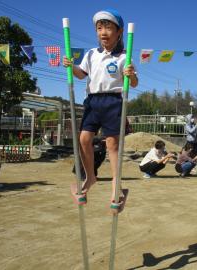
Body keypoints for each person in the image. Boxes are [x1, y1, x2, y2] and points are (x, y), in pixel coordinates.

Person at [63, 9, 139, 209]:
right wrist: (71, 66)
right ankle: (90, 177)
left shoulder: (125, 56)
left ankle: (116, 182)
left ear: (119, 32)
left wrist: (130, 75)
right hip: (92, 101)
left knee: (112, 145)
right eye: (99, 28)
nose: (103, 32)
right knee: (83, 140)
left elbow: (134, 83)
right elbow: (81, 75)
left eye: (108, 28)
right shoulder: (90, 54)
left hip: (113, 101)